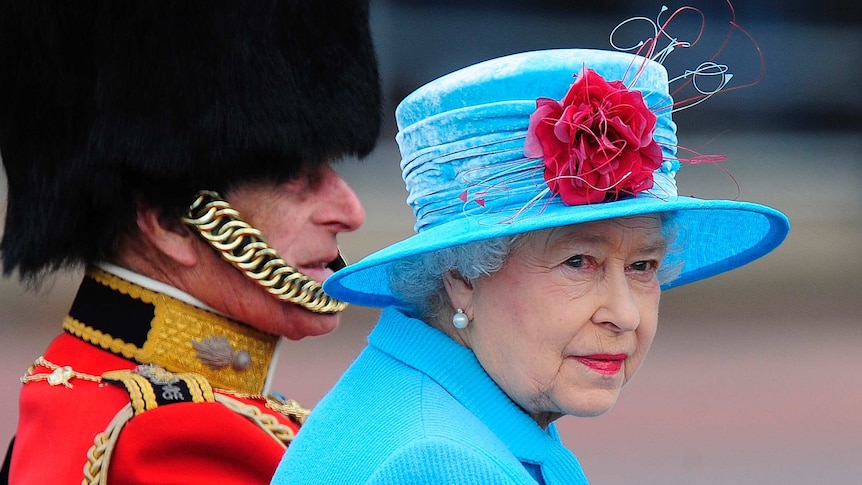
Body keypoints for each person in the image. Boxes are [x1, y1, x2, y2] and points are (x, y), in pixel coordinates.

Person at [270, 10, 791, 485]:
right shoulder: (440, 463)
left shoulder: (436, 400)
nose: (625, 315)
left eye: (643, 266)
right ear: (462, 278)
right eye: (578, 262)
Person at [0, 1, 380, 484]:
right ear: (169, 221)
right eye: (293, 177)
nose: (351, 212)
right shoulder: (172, 440)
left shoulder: (84, 380)